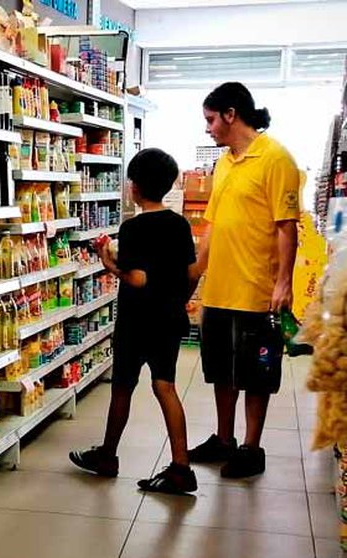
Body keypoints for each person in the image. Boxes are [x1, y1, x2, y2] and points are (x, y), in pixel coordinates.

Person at [69, 147, 199, 494]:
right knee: (165, 386)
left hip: (137, 322)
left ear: (135, 187)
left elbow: (138, 279)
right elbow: (191, 273)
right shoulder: (180, 224)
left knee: (123, 387)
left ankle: (108, 456)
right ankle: (181, 467)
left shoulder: (133, 227)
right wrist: (177, 302)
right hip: (169, 319)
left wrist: (107, 263)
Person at [187, 82, 299, 478]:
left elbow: (286, 227)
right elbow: (213, 225)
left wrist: (283, 283)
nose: (208, 128)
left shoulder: (276, 158)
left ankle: (252, 447)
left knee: (256, 373)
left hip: (256, 290)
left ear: (231, 114)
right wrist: (195, 272)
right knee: (221, 370)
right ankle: (224, 439)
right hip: (219, 288)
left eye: (211, 120)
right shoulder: (224, 163)